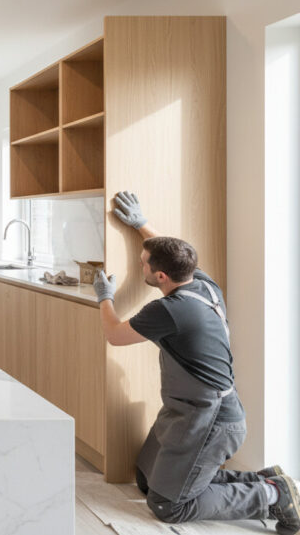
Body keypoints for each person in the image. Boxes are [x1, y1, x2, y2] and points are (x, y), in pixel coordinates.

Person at [93, 191, 299, 533]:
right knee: (146, 478)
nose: (140, 263)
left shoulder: (168, 310)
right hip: (185, 410)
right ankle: (265, 479)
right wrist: (141, 224)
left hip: (211, 421)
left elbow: (115, 334)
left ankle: (271, 494)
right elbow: (170, 253)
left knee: (168, 505)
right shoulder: (202, 284)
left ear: (161, 277)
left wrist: (105, 298)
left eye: (143, 262)